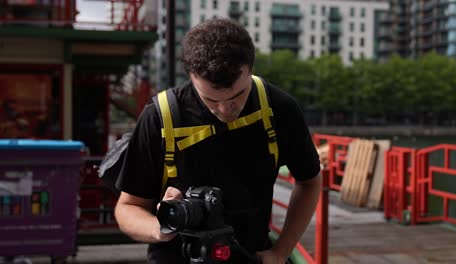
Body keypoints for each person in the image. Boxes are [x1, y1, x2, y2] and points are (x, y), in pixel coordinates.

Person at [114, 18, 322, 264]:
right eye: (211, 100)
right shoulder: (160, 117)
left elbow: (309, 181)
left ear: (251, 69)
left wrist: (281, 252)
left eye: (237, 95)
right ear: (191, 77)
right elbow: (127, 208)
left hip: (251, 256)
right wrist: (160, 227)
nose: (225, 109)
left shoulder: (279, 108)